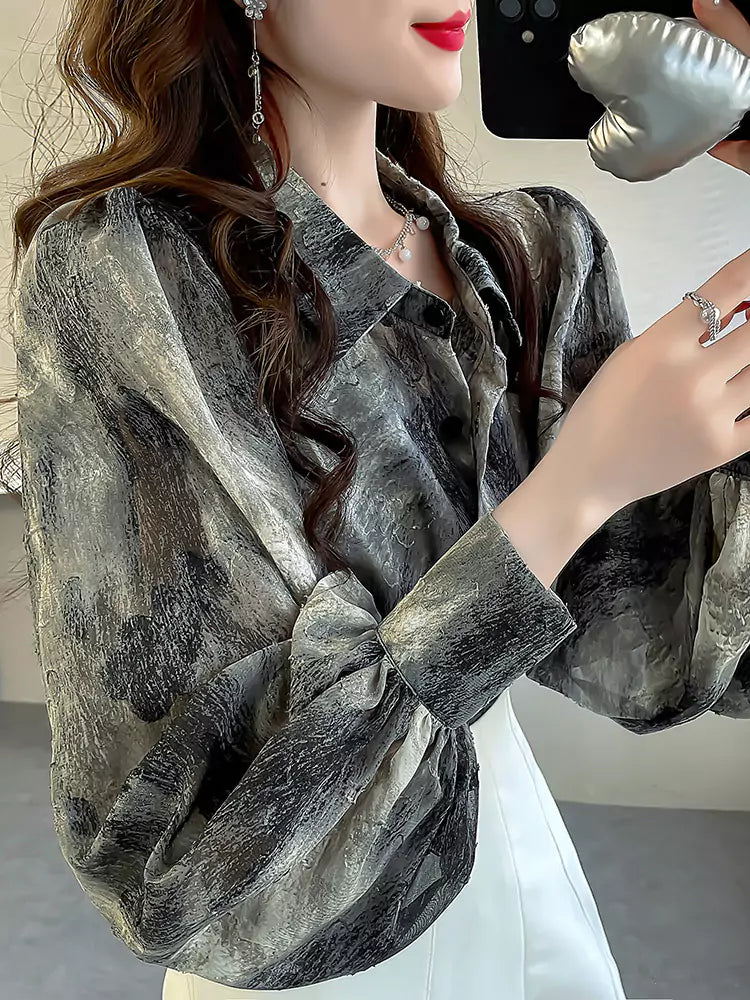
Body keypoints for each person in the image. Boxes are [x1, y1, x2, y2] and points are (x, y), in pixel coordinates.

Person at [7, 1, 750, 998]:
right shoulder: (128, 269)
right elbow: (183, 878)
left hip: (514, 869)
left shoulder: (530, 256)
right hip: (317, 927)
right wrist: (577, 485)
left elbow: (653, 650)